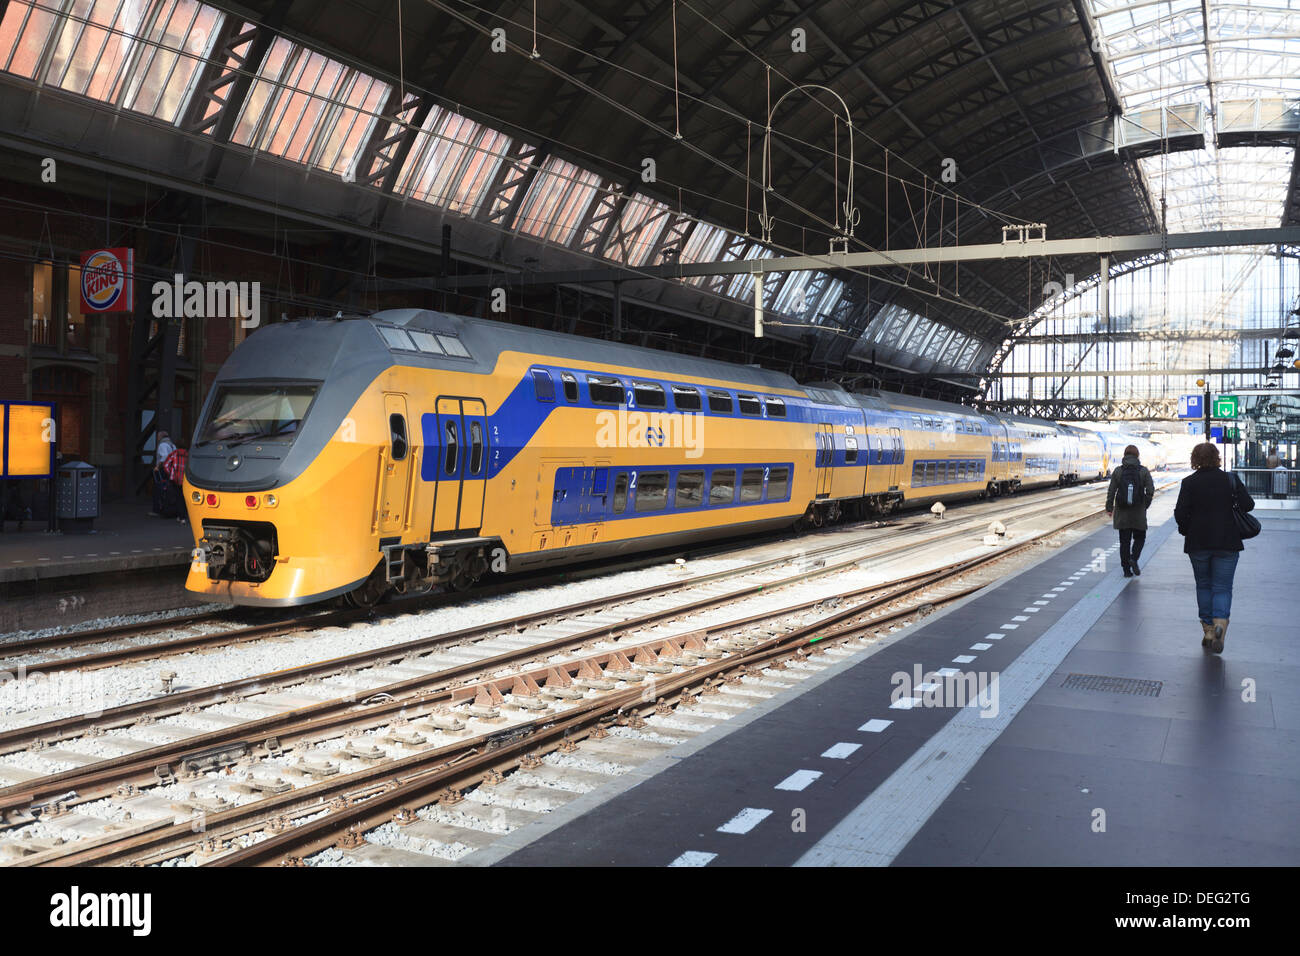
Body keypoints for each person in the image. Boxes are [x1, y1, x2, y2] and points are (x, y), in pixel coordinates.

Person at [1173, 442, 1255, 654]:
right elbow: (1248, 505)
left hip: (1198, 542)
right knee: (1222, 587)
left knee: (1203, 585)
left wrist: (1187, 529)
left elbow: (1180, 515)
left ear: (1195, 459)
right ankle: (1220, 625)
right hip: (1227, 542)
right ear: (1217, 457)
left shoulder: (1189, 483)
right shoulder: (1230, 480)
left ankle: (1208, 630)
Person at [1105, 444, 1154, 577]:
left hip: (1122, 512)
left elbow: (1112, 491)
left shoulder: (1118, 471)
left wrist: (1109, 507)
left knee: (1124, 542)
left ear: (1124, 455)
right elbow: (1150, 490)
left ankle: (1126, 570)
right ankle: (1134, 558)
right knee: (1140, 538)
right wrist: (1145, 504)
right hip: (1138, 512)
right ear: (1137, 455)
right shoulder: (1143, 471)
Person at [150, 429, 177, 518]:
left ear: (160, 437)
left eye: (157, 437)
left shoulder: (162, 445)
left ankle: (157, 509)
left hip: (163, 470)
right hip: (171, 470)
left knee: (158, 489)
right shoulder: (172, 445)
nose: (157, 438)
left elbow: (164, 456)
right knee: (169, 489)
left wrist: (158, 466)